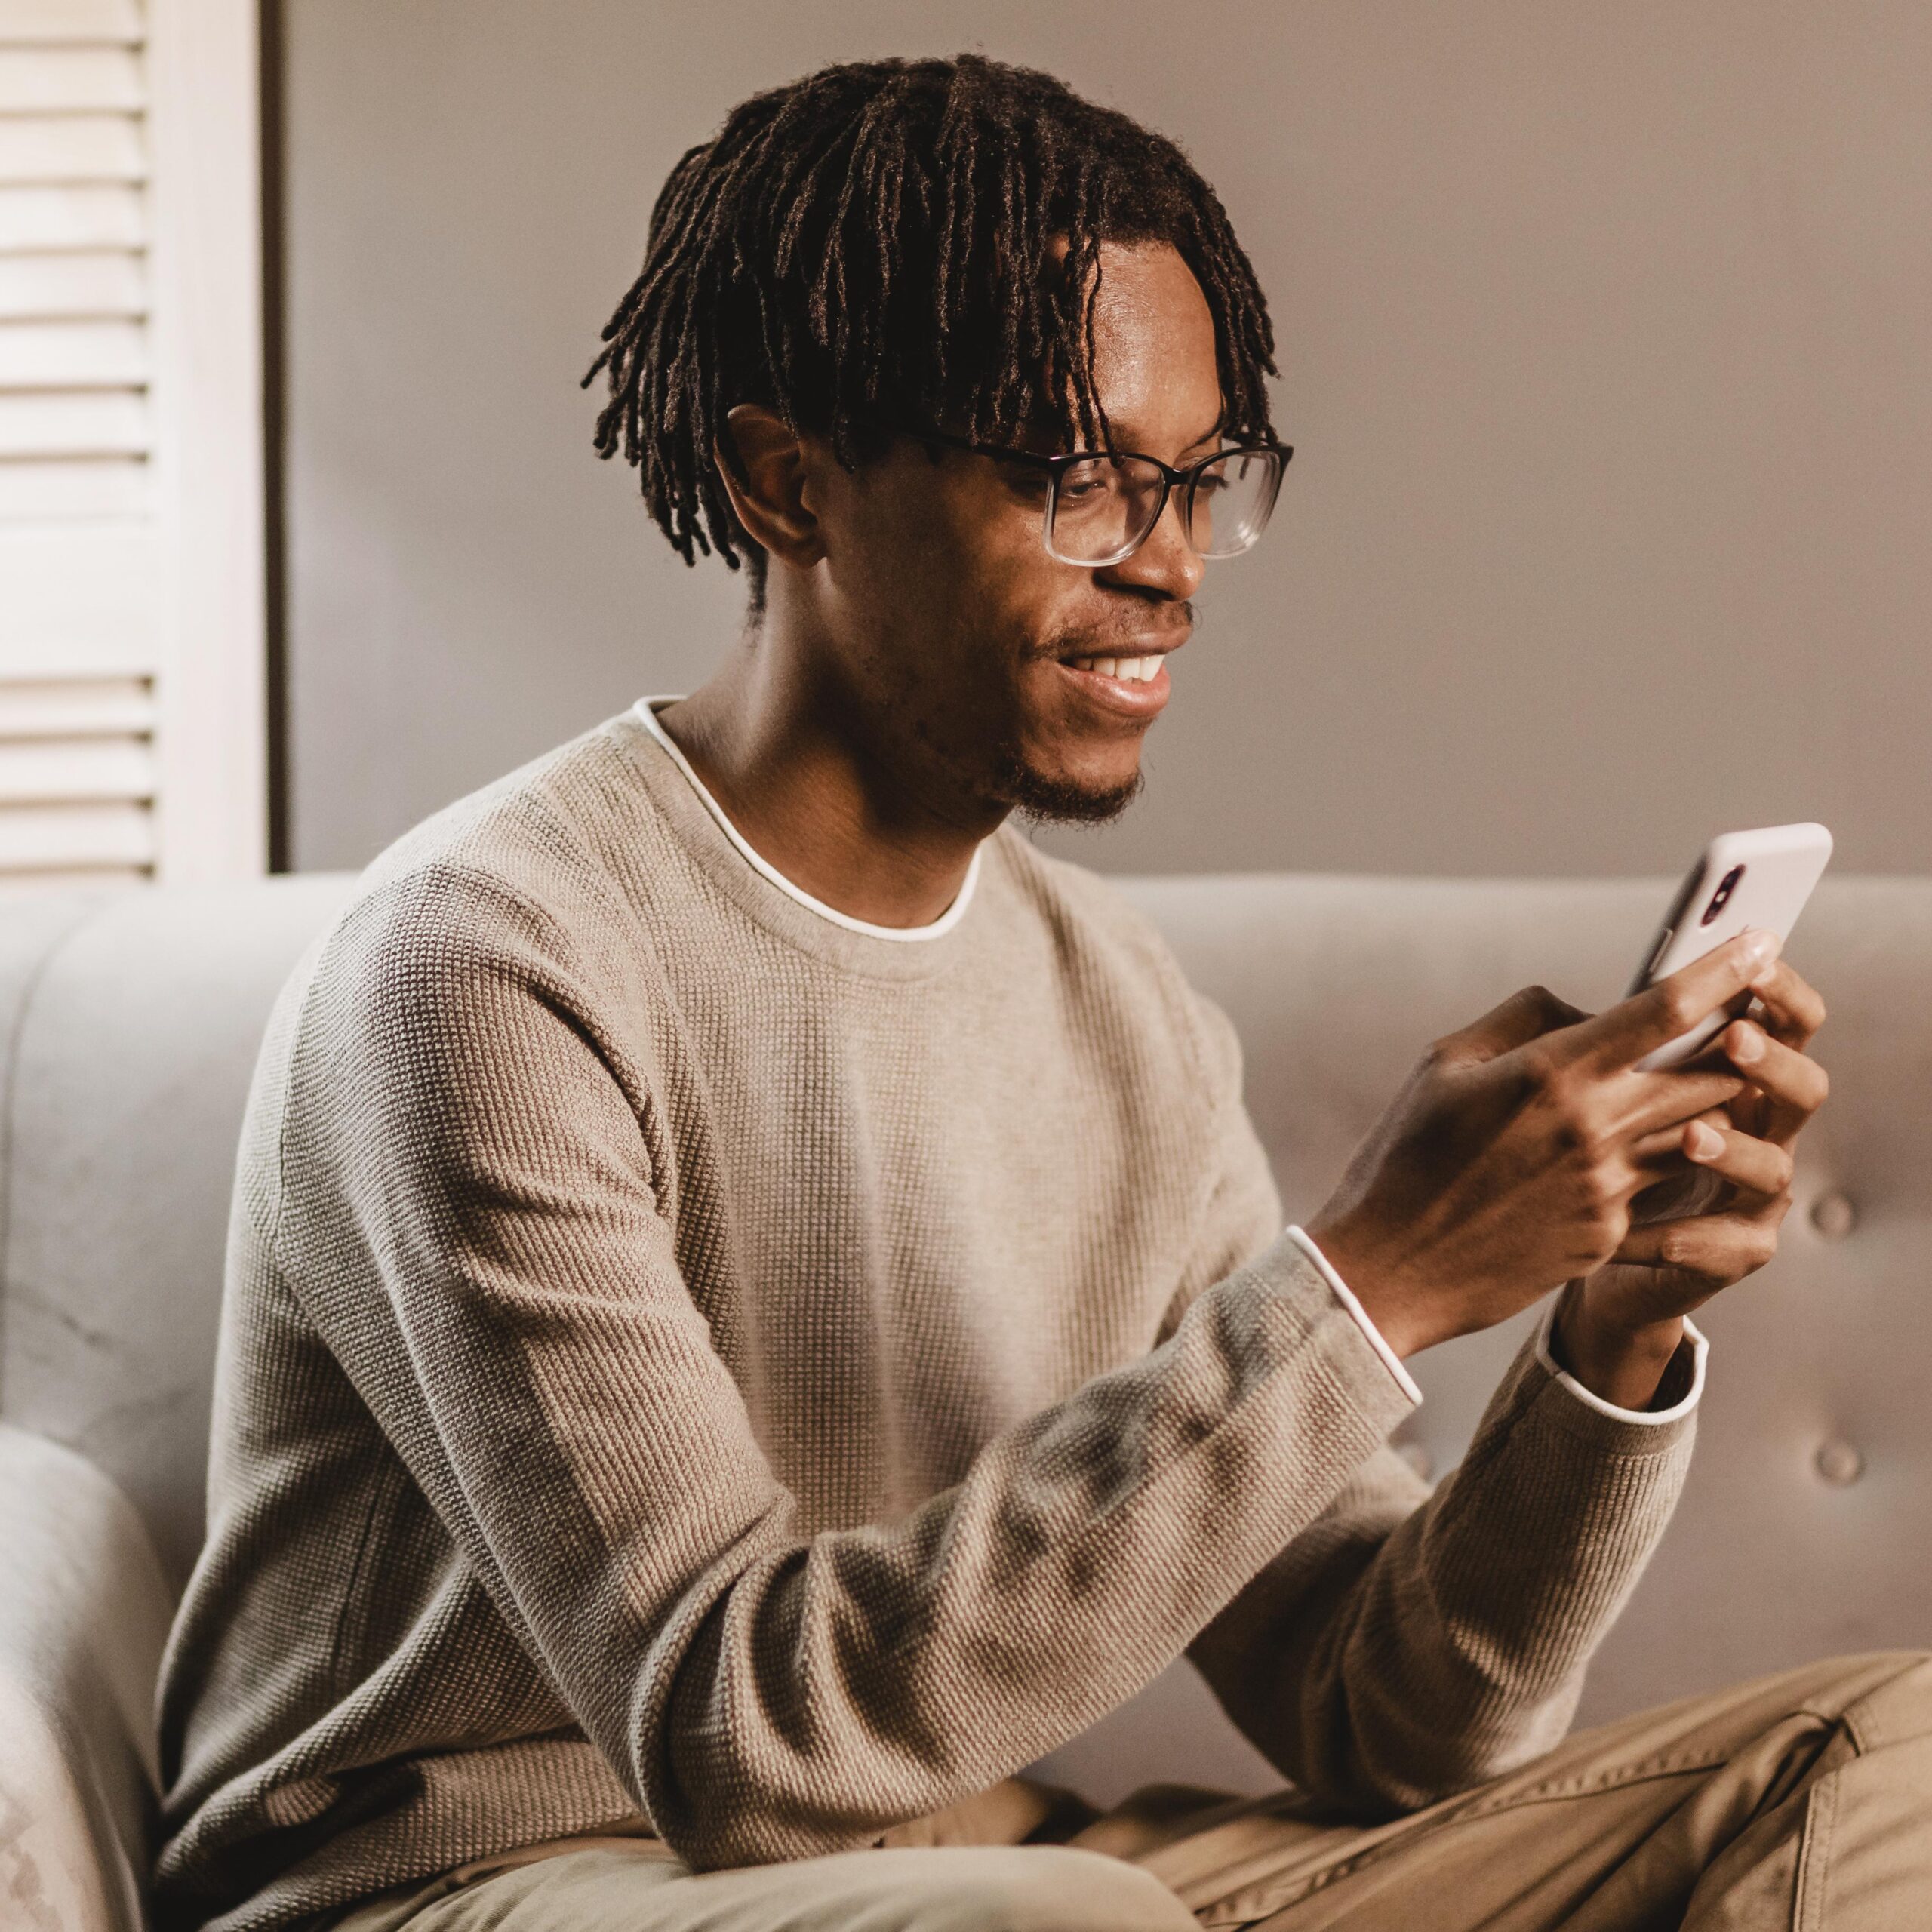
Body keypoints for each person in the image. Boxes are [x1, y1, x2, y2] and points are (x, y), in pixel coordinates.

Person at [154, 53, 1921, 1932]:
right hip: (478, 1880)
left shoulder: (1124, 1013)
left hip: (978, 1878)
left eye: (1193, 482)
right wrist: (1380, 1278)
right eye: (1073, 477)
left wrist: (1610, 1338)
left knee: (1877, 1748)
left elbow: (1388, 1712)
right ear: (788, 482)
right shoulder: (487, 967)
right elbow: (737, 1734)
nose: (1162, 567)